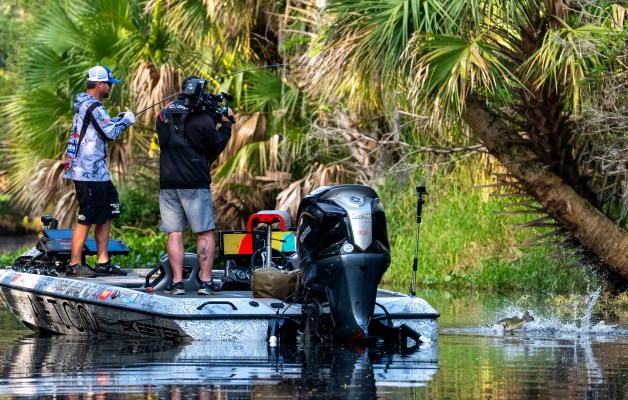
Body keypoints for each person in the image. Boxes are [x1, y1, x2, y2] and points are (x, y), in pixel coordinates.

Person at [156, 75, 234, 295]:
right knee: (205, 233)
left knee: (174, 233)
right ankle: (206, 283)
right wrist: (226, 125)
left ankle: (177, 283)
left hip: (168, 182)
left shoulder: (162, 115)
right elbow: (215, 146)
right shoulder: (202, 119)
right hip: (194, 182)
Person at [63, 65, 135, 278]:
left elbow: (102, 128)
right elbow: (110, 133)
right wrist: (126, 121)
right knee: (87, 216)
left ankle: (103, 262)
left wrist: (118, 118)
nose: (110, 87)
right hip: (87, 172)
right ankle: (74, 264)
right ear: (99, 84)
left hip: (99, 172)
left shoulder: (91, 106)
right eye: (109, 84)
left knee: (106, 213)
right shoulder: (93, 106)